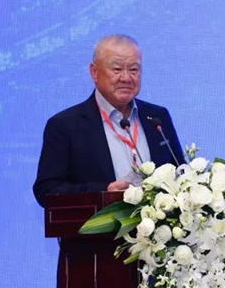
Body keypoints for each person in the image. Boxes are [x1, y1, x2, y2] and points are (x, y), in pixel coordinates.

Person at [33, 35, 184, 208]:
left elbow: (180, 172)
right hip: (97, 224)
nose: (126, 78)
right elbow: (47, 190)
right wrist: (104, 192)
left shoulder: (157, 117)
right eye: (117, 69)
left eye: (134, 70)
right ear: (94, 72)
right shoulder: (65, 125)